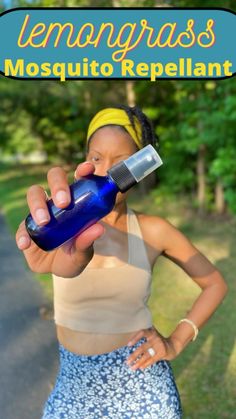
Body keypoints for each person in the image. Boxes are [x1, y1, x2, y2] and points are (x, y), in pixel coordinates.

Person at [16, 105, 228, 419]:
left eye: (121, 162)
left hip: (143, 384)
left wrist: (176, 341)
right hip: (75, 387)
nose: (105, 172)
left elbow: (214, 284)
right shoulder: (62, 224)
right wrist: (43, 237)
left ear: (138, 167)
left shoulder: (155, 231)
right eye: (97, 158)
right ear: (85, 162)